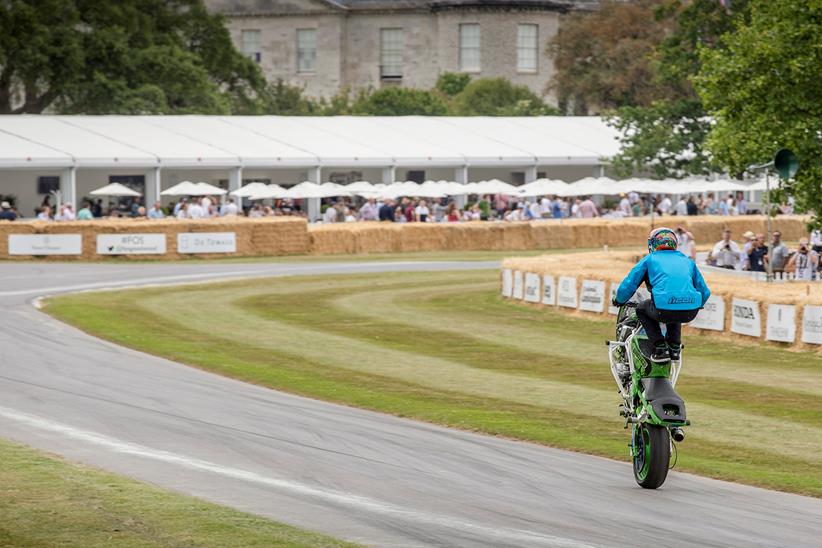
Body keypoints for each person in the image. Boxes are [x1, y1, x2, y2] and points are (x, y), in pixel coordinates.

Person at [615, 227, 710, 363]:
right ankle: (674, 348)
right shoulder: (687, 260)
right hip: (690, 311)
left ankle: (660, 348)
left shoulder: (649, 259)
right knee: (676, 307)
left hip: (663, 308)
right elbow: (705, 291)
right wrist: (697, 304)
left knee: (642, 309)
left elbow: (630, 284)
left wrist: (619, 299)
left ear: (652, 244)